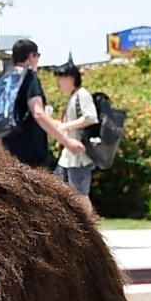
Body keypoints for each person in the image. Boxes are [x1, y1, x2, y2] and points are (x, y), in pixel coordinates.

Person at [0, 40, 80, 169]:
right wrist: (67, 142)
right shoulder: (29, 77)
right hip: (30, 151)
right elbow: (38, 113)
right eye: (37, 55)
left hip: (7, 150)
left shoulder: (2, 79)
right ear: (31, 56)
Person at [52, 60, 100, 204]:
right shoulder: (73, 97)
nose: (58, 82)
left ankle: (89, 226)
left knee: (80, 196)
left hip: (79, 156)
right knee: (57, 191)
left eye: (61, 78)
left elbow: (91, 117)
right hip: (68, 156)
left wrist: (66, 126)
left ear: (71, 78)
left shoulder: (82, 95)